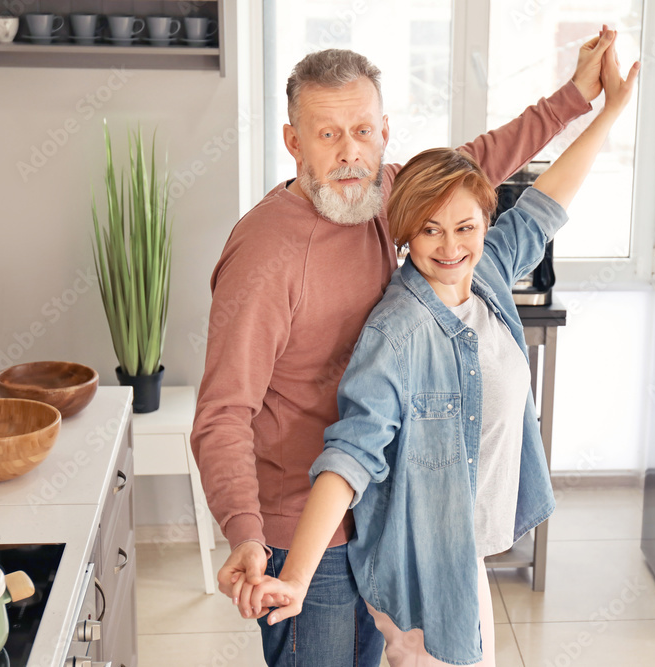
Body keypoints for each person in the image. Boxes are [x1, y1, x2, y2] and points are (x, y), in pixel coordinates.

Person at [191, 34, 618, 667]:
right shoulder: (267, 259)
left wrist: (577, 98)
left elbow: (471, 167)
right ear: (293, 142)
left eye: (362, 130)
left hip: (379, 514)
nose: (349, 153)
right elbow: (222, 413)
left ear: (385, 131)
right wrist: (246, 534)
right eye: (327, 134)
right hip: (307, 525)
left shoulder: (375, 193)